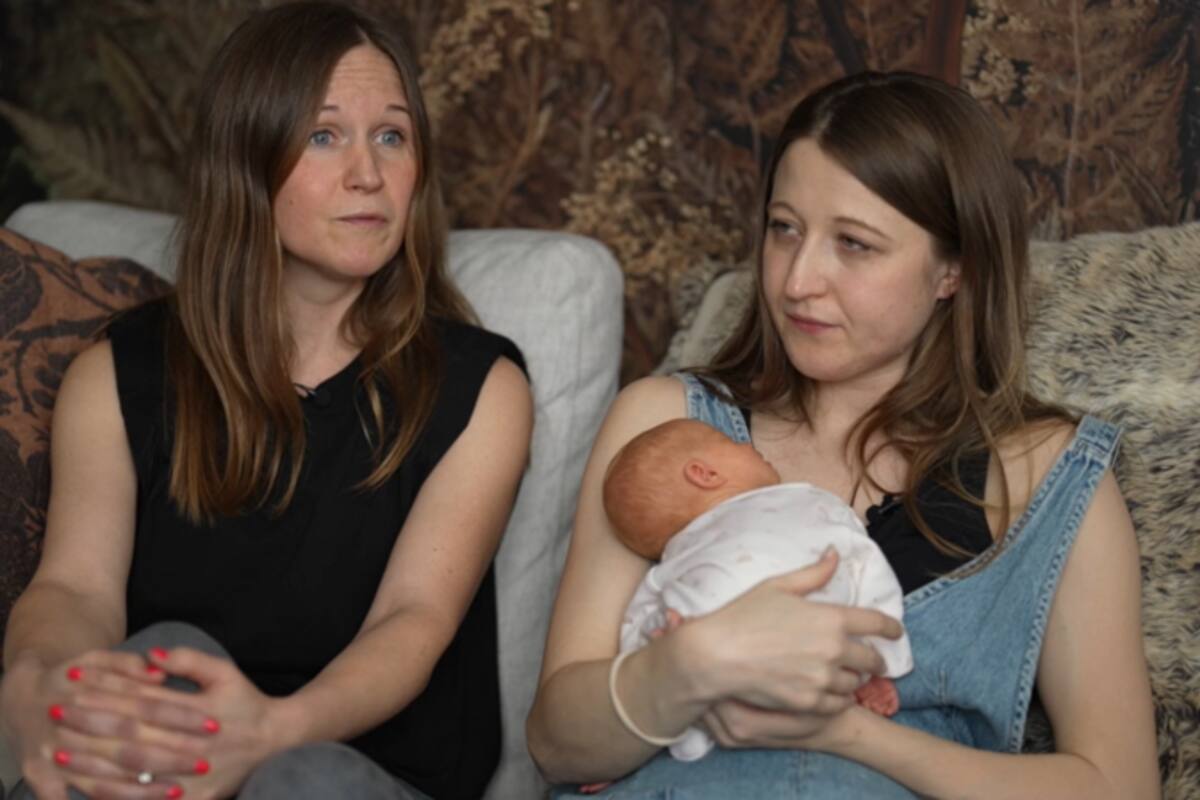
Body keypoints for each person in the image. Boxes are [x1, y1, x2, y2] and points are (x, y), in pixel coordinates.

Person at [526, 70, 1159, 799]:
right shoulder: (666, 424)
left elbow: (1119, 785)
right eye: (784, 228)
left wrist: (848, 733)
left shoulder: (1045, 473)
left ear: (953, 268)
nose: (798, 281)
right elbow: (554, 745)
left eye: (854, 244)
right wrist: (683, 668)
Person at [0, 3, 532, 799]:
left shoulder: (477, 387)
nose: (368, 173)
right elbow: (75, 589)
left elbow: (412, 621)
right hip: (168, 752)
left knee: (299, 775)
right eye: (324, 135)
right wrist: (37, 684)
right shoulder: (119, 373)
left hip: (360, 769)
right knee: (164, 660)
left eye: (391, 135)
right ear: (244, 159)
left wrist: (270, 733)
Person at [603, 418, 911, 764]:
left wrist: (633, 727)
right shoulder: (808, 502)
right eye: (729, 442)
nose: (747, 445)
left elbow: (639, 624)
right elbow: (863, 563)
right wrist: (880, 660)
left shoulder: (672, 566)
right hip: (763, 653)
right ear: (704, 474)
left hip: (714, 668)